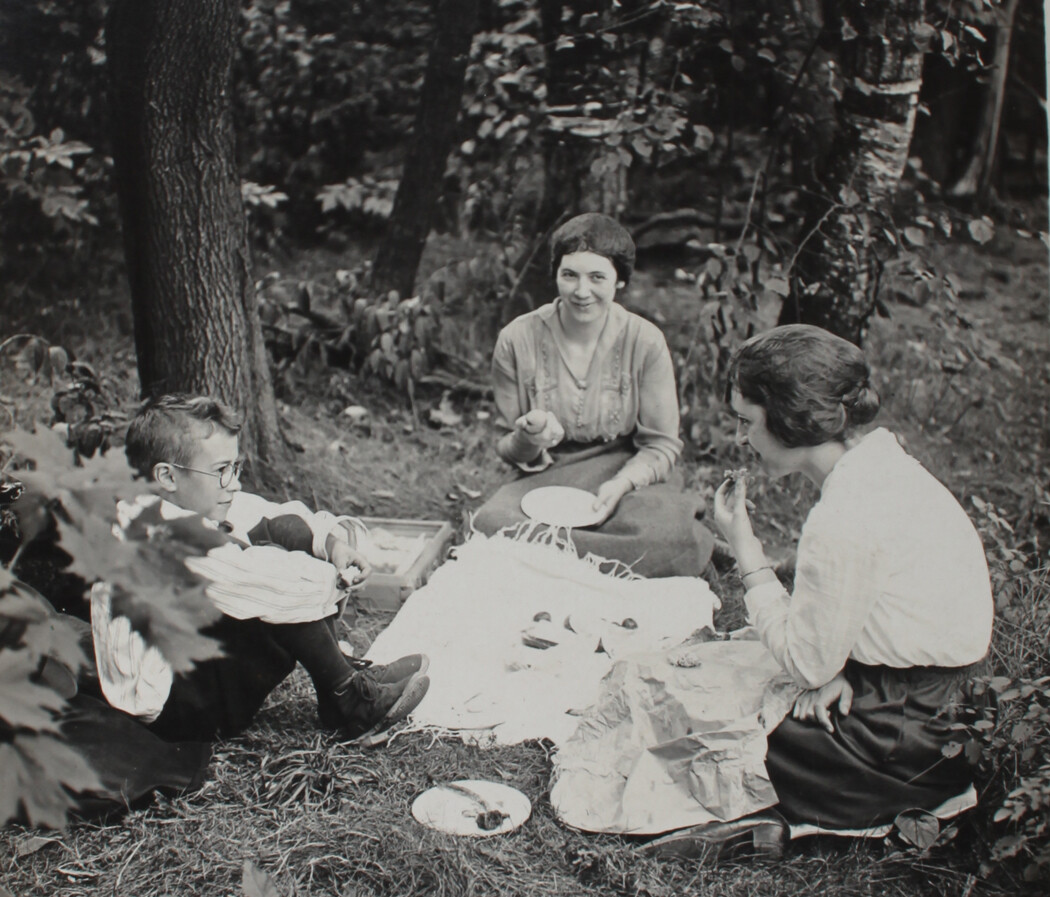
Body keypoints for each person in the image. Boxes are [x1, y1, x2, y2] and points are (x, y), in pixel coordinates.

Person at [653, 324, 993, 854]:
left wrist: (745, 547)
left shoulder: (843, 517)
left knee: (703, 716)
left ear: (790, 420)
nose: (740, 438)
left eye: (747, 422)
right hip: (941, 702)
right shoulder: (881, 465)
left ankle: (802, 818)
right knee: (731, 679)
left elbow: (805, 663)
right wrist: (843, 670)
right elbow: (862, 624)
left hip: (905, 727)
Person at [60, 394, 430, 815]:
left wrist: (331, 544)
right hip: (174, 708)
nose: (233, 483)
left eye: (235, 468)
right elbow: (275, 585)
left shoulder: (169, 503)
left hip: (186, 668)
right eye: (221, 471)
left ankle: (339, 682)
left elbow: (271, 515)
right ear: (167, 476)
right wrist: (335, 576)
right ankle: (348, 697)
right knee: (272, 581)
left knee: (280, 534)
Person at [473, 213, 713, 577]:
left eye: (597, 277)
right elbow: (507, 448)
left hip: (627, 467)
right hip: (549, 474)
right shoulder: (517, 339)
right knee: (491, 523)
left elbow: (661, 445)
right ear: (555, 274)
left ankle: (559, 563)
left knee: (669, 537)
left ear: (620, 280)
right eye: (569, 275)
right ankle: (606, 563)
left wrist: (621, 484)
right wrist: (529, 438)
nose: (581, 291)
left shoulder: (645, 341)